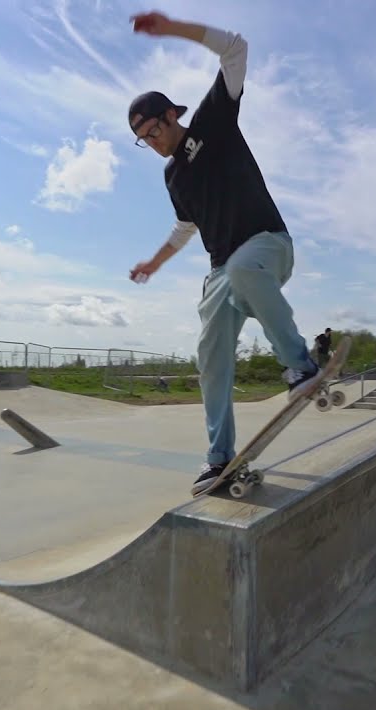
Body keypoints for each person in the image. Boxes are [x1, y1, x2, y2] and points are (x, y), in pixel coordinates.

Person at [125, 11, 321, 493]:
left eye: (154, 130)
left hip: (268, 246)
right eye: (142, 140)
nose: (152, 143)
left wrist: (171, 28)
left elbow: (236, 49)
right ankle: (219, 460)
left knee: (241, 267)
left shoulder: (212, 120)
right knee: (210, 359)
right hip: (222, 274)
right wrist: (155, 262)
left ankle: (300, 364)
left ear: (172, 115)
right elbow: (185, 227)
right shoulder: (172, 176)